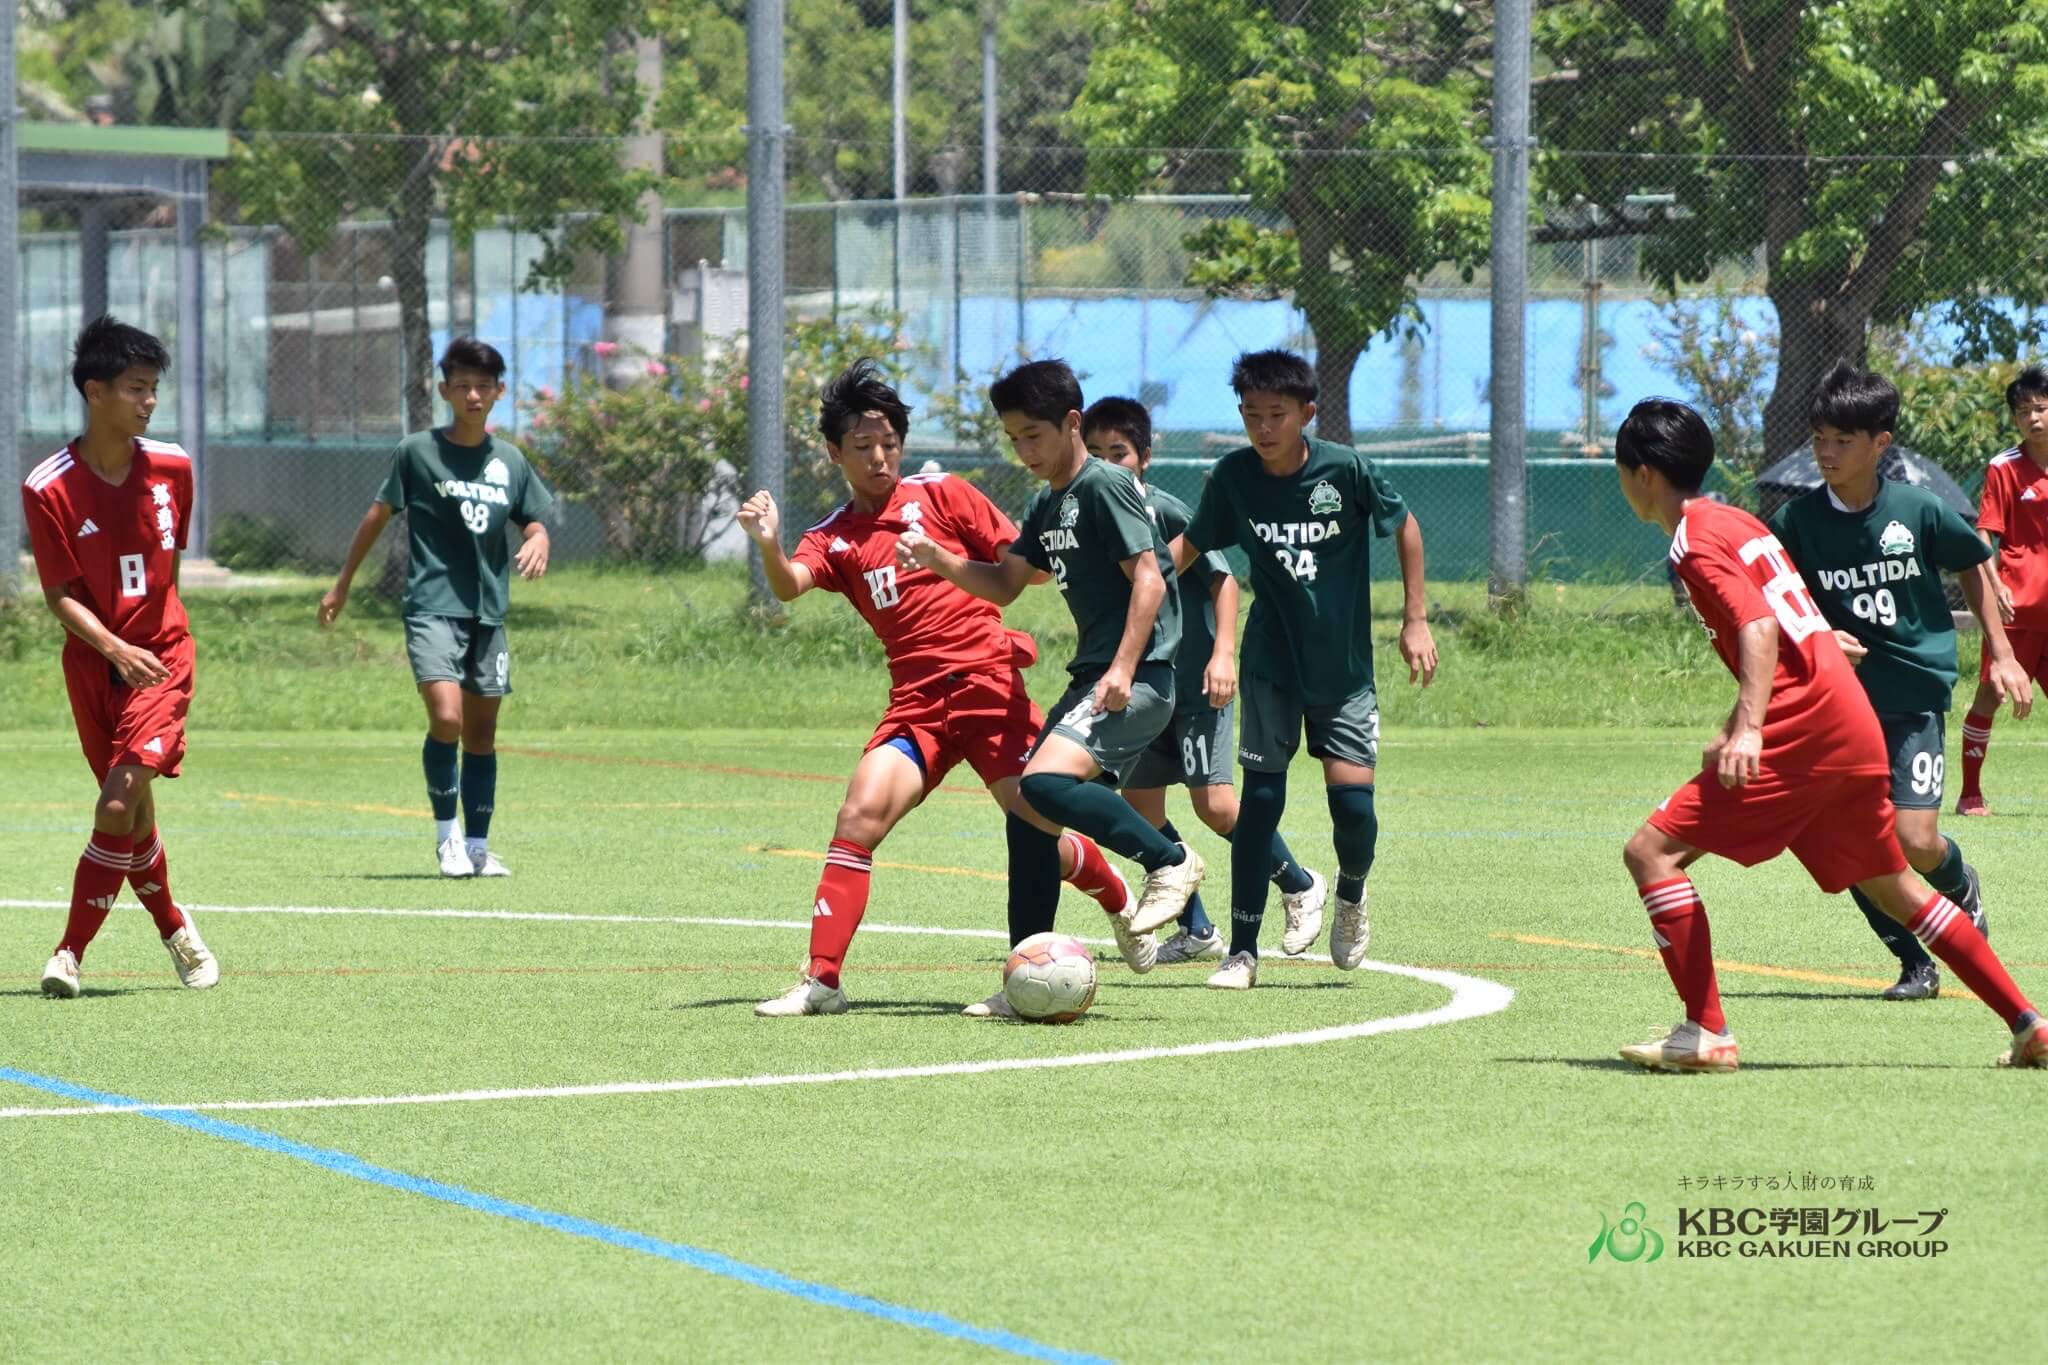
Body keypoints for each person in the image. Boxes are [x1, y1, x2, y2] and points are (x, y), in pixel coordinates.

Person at [1613, 396, 2046, 1071]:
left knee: (1650, 853)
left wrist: (1749, 728)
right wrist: (1743, 717)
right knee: (1895, 885)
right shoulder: (1735, 520)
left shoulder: (1695, 540)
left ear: (1642, 474)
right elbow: (1789, 625)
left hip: (1803, 726)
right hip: (1847, 713)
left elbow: (1759, 625)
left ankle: (1706, 1031)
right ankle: (2029, 1023)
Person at [736, 360, 1147, 1018]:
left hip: (988, 687)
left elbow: (1028, 568)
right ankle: (822, 981)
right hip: (917, 706)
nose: (879, 458)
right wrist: (768, 544)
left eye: (889, 443)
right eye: (863, 446)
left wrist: (959, 562)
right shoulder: (835, 536)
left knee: (1034, 822)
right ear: (834, 452)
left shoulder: (944, 495)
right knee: (858, 816)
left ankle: (1113, 891)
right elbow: (789, 585)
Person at [902, 359, 1209, 1013]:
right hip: (1093, 678)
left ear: (1072, 423)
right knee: (1029, 818)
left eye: (1033, 435)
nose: (1023, 450)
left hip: (1137, 677)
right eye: (1013, 437)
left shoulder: (1105, 484)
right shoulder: (1049, 502)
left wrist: (1123, 667)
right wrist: (939, 559)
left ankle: (1169, 859)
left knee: (1041, 785)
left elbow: (1151, 578)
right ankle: (1025, 975)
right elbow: (1006, 584)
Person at [1175, 350, 1438, 991]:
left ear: (1307, 414)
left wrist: (1415, 619)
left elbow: (1405, 527)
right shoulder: (1233, 476)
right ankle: (1242, 952)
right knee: (1260, 804)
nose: (1263, 427)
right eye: (1251, 415)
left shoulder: (1343, 470)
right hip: (1270, 664)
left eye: (1277, 414)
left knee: (1353, 809)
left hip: (1343, 670)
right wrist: (1138, 585)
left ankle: (1350, 891)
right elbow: (1190, 546)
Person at [1770, 361, 2030, 1000]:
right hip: (1838, 704)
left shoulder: (1917, 510)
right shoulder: (1798, 522)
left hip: (1912, 694)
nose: (1827, 452)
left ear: (1880, 444)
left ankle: (1960, 885)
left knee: (1914, 839)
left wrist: (2001, 652)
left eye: (1843, 441)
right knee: (1853, 844)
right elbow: (1771, 600)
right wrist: (1816, 636)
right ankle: (1916, 963)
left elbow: (1974, 564)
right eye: (1819, 439)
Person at [1080, 395, 1327, 964]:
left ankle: (1298, 884)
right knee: (1140, 805)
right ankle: (1196, 928)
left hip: (1194, 685)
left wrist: (1223, 654)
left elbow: (1224, 581)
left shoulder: (1162, 511)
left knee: (1215, 807)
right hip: (1145, 689)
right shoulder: (1091, 518)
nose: (1107, 464)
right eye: (1095, 454)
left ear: (1144, 457)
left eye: (1118, 453)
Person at [22, 315, 218, 997]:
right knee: (131, 815)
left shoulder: (173, 467)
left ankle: (67, 953)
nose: (150, 401)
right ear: (95, 390)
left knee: (116, 803)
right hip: (93, 665)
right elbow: (58, 595)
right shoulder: (47, 485)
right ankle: (175, 927)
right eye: (137, 387)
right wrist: (112, 646)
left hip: (161, 661)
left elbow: (169, 573)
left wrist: (149, 644)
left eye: (154, 387)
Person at [319, 337, 553, 877]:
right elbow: (377, 515)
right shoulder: (417, 452)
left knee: (482, 734)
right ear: (445, 391)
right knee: (447, 718)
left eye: (483, 386)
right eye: (462, 385)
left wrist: (539, 537)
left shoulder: (509, 460)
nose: (473, 395)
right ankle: (448, 839)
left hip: (488, 613)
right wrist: (342, 585)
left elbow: (533, 519)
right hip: (431, 606)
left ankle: (478, 847)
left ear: (499, 393)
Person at [1953, 363, 2048, 816]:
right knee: (1991, 695)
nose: (2033, 418)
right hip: (2017, 611)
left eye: (2041, 408)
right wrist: (1995, 586)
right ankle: (1970, 793)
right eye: (2023, 411)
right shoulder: (2003, 467)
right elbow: (1984, 535)